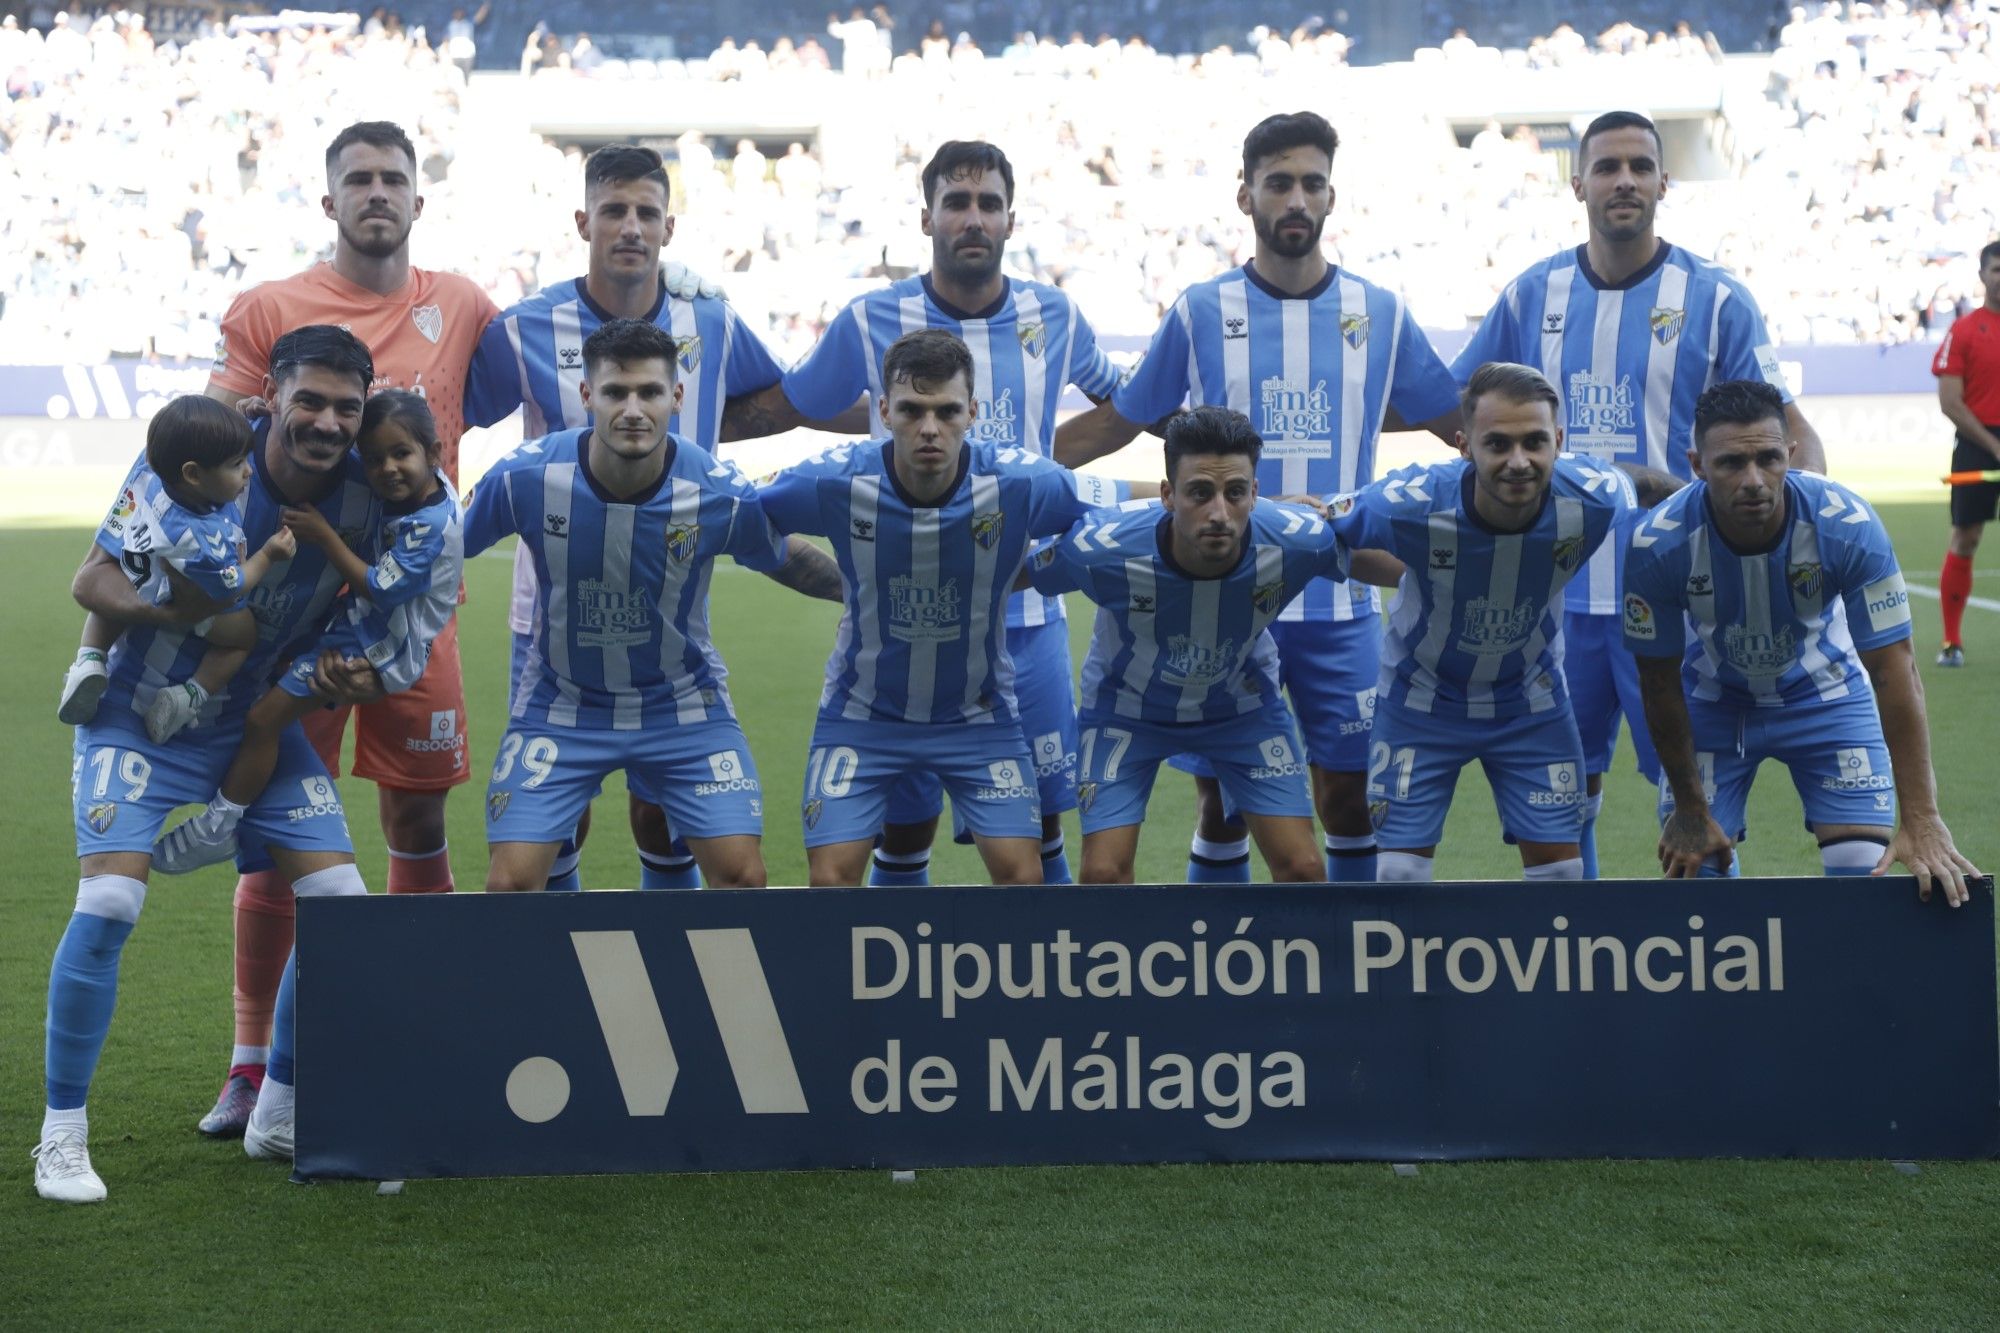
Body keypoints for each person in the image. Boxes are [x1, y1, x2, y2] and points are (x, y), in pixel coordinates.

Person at [1056, 111, 1462, 888]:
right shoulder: (1201, 310)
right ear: (1246, 197)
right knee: (1225, 801)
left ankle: (1345, 964)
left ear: (1332, 197)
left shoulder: (1380, 313)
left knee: (1346, 798)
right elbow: (1124, 419)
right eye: (1279, 183)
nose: (1296, 199)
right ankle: (1226, 973)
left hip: (1336, 598)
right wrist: (1019, 472)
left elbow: (1459, 429)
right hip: (1222, 602)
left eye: (1312, 183)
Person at [34, 325, 383, 1203]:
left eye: (346, 406)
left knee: (341, 903)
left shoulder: (371, 493)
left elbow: (379, 611)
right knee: (110, 898)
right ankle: (61, 1136)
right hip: (137, 714)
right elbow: (96, 574)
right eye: (309, 398)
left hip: (258, 719)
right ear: (271, 395)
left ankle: (280, 1107)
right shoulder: (191, 455)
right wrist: (180, 618)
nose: (327, 421)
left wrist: (319, 678)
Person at [194, 119, 495, 1135]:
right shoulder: (270, 309)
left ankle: (416, 1033)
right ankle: (249, 1066)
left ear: (420, 198)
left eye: (393, 178)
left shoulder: (459, 305)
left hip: (411, 620)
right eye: (358, 179)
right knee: (273, 839)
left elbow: (551, 365)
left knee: (418, 821)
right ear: (329, 201)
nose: (378, 193)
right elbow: (212, 440)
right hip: (294, 626)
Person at [725, 140, 1122, 889]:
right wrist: (682, 416)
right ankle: (892, 995)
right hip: (899, 624)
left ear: (1011, 219)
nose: (973, 218)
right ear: (927, 217)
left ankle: (1049, 986)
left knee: (1039, 828)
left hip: (1026, 624)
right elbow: (796, 406)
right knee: (902, 828)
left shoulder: (1055, 314)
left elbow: (1122, 407)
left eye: (989, 204)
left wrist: (1037, 471)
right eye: (957, 202)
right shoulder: (872, 315)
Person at [1450, 109, 1827, 878]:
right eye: (1609, 166)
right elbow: (1459, 413)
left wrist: (1809, 525)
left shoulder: (1717, 298)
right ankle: (1575, 959)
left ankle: (1709, 965)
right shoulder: (1532, 295)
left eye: (1640, 166)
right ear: (1579, 182)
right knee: (1562, 800)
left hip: (1682, 595)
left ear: (1664, 182)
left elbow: (1786, 429)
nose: (1625, 179)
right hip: (1554, 598)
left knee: (1696, 791)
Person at [465, 144, 796, 893]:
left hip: (671, 598)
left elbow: (775, 397)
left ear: (669, 226)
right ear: (584, 220)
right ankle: (570, 981)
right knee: (558, 823)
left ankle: (667, 972)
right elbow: (448, 416)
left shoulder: (709, 318)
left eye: (647, 211)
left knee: (663, 810)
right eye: (614, 210)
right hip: (548, 611)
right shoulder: (524, 326)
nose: (630, 227)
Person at [462, 318, 842, 892]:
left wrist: (865, 592)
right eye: (615, 392)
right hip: (564, 705)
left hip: (681, 706)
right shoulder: (526, 477)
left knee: (743, 877)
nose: (633, 409)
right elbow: (445, 553)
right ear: (588, 396)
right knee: (508, 888)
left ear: (677, 397)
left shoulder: (715, 489)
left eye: (650, 393)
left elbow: (782, 555)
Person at [755, 329, 1100, 887]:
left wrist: (1004, 579)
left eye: (947, 411)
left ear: (974, 412)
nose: (930, 428)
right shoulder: (835, 480)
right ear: (885, 411)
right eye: (912, 410)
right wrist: (845, 583)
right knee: (829, 884)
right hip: (863, 714)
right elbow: (747, 523)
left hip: (978, 715)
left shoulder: (1020, 481)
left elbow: (1115, 516)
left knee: (1024, 878)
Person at [1624, 379, 1981, 904]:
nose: (1754, 480)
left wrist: (1923, 819)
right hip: (1713, 702)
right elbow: (1657, 684)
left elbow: (1894, 669)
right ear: (1697, 464)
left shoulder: (1848, 525)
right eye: (1730, 464)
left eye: (1769, 459)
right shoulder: (1657, 544)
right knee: (1698, 874)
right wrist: (1690, 810)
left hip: (1827, 694)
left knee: (1862, 870)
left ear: (1790, 453)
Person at [1334, 362, 1678, 882]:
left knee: (1562, 876)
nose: (1519, 461)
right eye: (1497, 445)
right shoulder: (1409, 502)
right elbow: (1318, 525)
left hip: (1529, 700)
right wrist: (1408, 570)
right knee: (1398, 875)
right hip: (1419, 699)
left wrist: (1711, 512)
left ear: (1559, 441)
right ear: (1463, 445)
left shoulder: (1593, 493)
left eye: (1535, 443)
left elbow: (1648, 484)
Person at [1027, 406, 1403, 883]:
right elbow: (1020, 575)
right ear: (1167, 494)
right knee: (1102, 874)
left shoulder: (1297, 539)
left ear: (1255, 493)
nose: (1220, 514)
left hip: (1241, 712)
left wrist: (1451, 578)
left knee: (1305, 870)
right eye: (1200, 493)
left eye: (1236, 493)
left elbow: (1377, 562)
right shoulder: (1100, 546)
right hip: (1126, 712)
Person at [153, 391, 463, 871]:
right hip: (353, 627)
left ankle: (219, 825)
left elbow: (382, 588)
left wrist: (324, 535)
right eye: (375, 457)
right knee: (259, 646)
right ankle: (196, 705)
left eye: (401, 454)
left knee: (263, 719)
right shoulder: (418, 487)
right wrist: (266, 417)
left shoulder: (429, 524)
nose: (386, 469)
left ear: (435, 453)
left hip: (377, 648)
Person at [58, 396, 296, 738]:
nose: (249, 470)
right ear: (194, 474)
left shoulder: (151, 473)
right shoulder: (203, 538)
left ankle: (90, 659)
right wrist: (269, 555)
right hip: (186, 600)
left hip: (136, 570)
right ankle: (188, 697)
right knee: (242, 639)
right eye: (236, 463)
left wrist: (230, 425)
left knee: (109, 602)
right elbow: (232, 586)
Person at [1930, 239, 2000, 668]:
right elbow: (1950, 402)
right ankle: (1951, 642)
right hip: (1978, 443)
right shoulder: (1965, 329)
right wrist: (1994, 445)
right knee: (1967, 537)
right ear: (1982, 276)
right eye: (1996, 270)